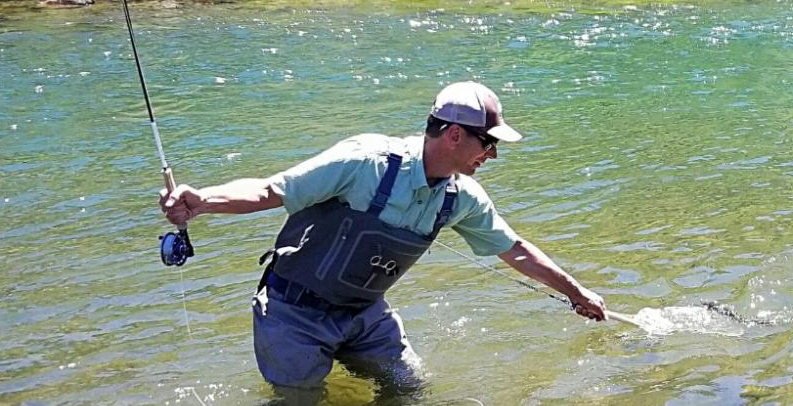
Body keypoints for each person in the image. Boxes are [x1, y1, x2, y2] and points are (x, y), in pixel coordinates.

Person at [159, 81, 607, 401]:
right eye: (488, 143)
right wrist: (202, 202)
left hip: (365, 316)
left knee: (412, 392)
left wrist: (577, 292)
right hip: (293, 315)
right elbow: (270, 191)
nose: (491, 154)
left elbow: (517, 250)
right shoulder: (364, 161)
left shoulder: (460, 197)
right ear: (454, 134)